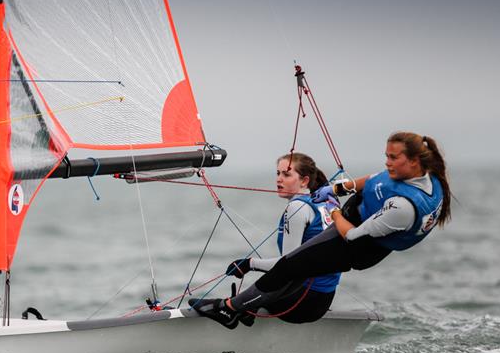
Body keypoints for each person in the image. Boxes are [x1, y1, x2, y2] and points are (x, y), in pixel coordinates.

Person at [192, 131, 450, 328]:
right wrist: (334, 191)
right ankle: (243, 308)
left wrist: (250, 263)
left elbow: (350, 236)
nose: (388, 162)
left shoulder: (403, 206)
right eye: (387, 156)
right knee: (292, 268)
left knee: (288, 268)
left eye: (287, 174)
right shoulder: (413, 176)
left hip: (345, 257)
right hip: (321, 295)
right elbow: (370, 182)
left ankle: (230, 309)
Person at [216, 152, 342, 326]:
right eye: (278, 173)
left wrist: (249, 264)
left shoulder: (297, 207)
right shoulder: (326, 203)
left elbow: (288, 266)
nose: (279, 180)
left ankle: (234, 312)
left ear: (304, 181)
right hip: (323, 300)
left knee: (225, 304)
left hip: (300, 302)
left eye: (286, 174)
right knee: (254, 296)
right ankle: (245, 313)